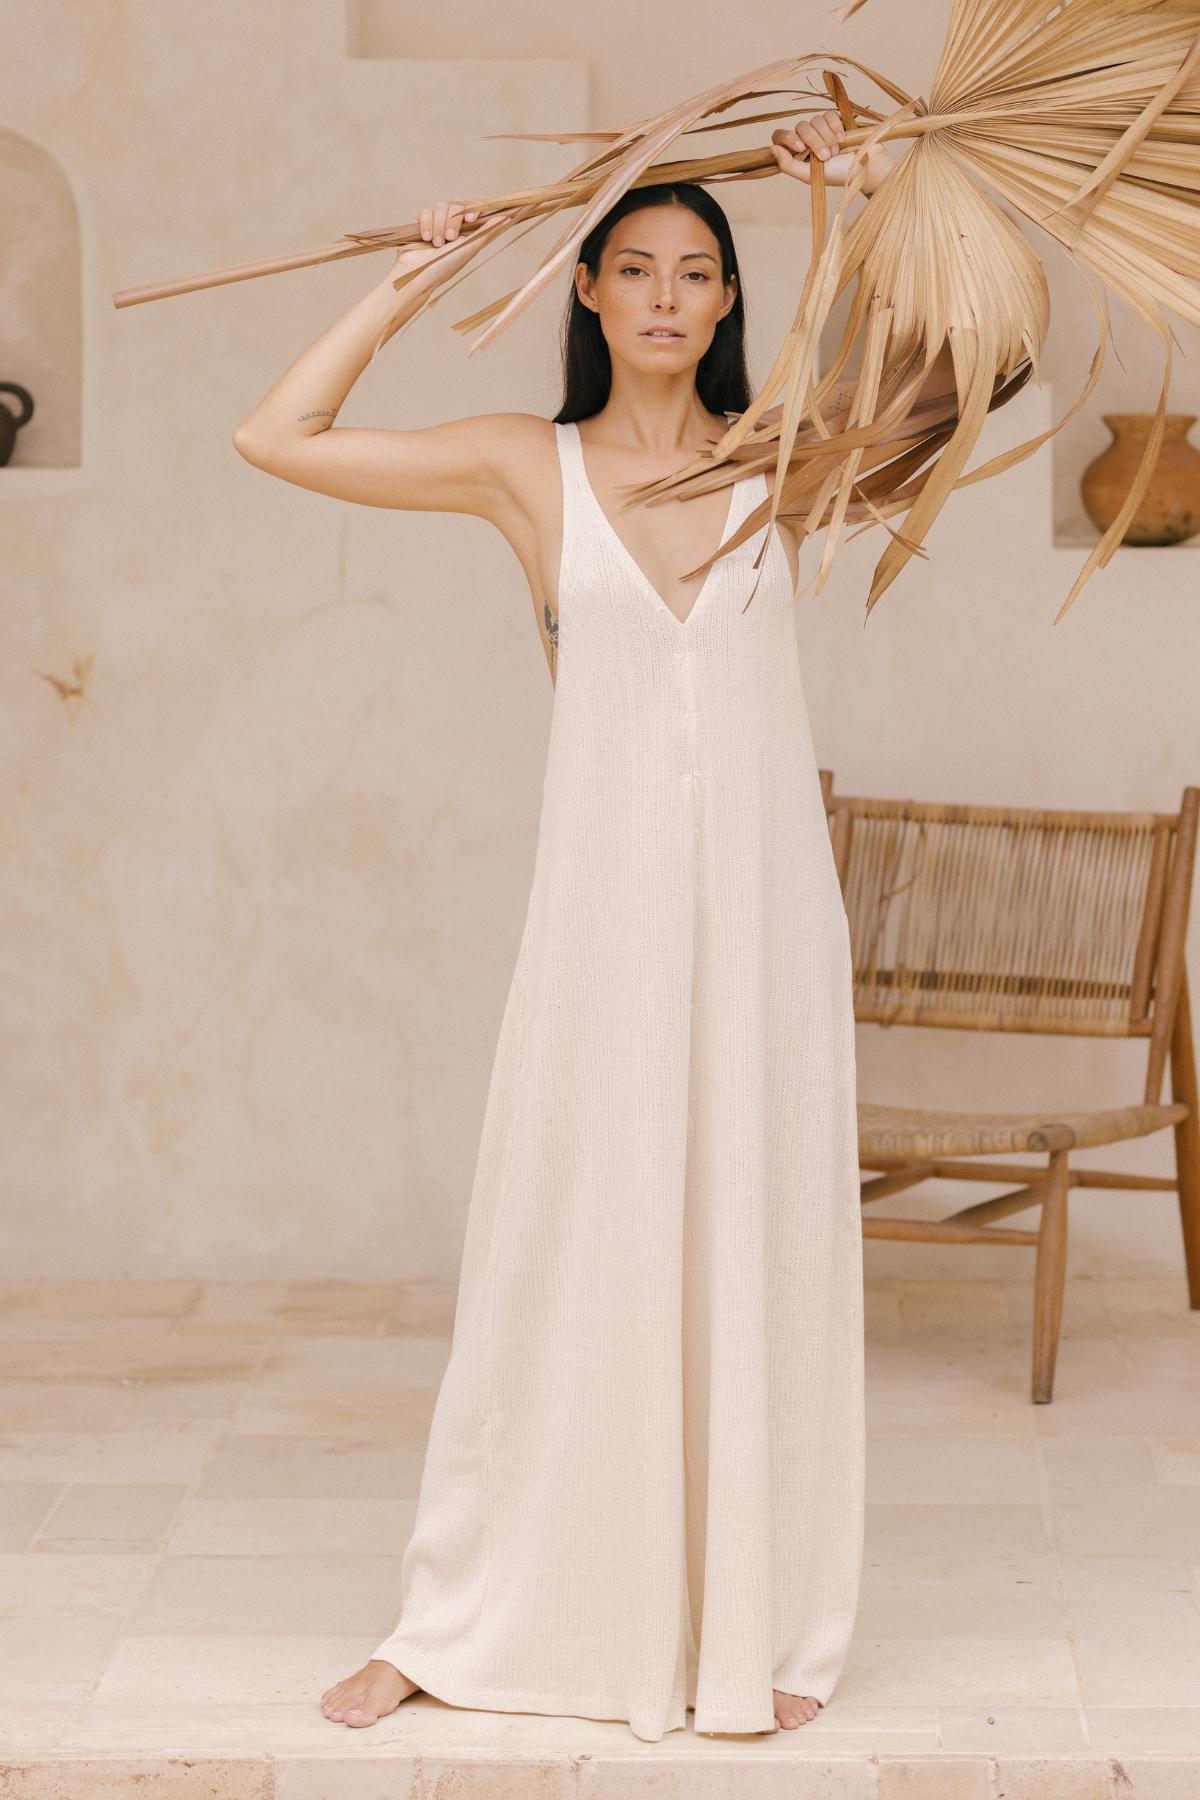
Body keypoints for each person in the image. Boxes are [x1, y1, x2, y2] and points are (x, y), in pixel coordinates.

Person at [233, 108, 924, 1741]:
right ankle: (459, 1618)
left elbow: (946, 380)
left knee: (748, 1250)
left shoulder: (789, 452)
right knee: (564, 1253)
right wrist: (413, 280)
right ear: (594, 297)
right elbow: (277, 435)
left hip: (762, 932)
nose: (671, 296)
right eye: (638, 270)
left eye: (700, 270)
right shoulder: (519, 466)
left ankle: (745, 1614)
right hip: (603, 926)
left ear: (728, 299)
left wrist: (870, 205)